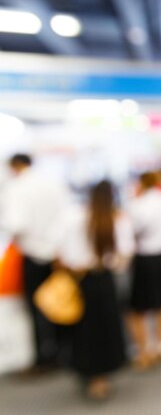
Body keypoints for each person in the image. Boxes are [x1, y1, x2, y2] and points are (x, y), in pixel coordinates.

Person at [57, 180, 134, 400]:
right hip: (104, 281)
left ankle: (89, 373)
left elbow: (63, 254)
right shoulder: (117, 220)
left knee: (84, 330)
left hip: (82, 281)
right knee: (105, 328)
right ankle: (101, 377)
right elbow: (123, 258)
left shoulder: (75, 218)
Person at [0, 154, 70, 372]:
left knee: (37, 308)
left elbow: (16, 223)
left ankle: (44, 358)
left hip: (33, 255)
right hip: (58, 255)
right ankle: (63, 352)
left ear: (15, 166)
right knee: (60, 303)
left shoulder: (18, 188)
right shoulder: (52, 183)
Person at [127, 172, 161, 370]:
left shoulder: (137, 205)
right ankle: (160, 347)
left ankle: (144, 351)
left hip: (143, 258)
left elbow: (130, 231)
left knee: (139, 308)